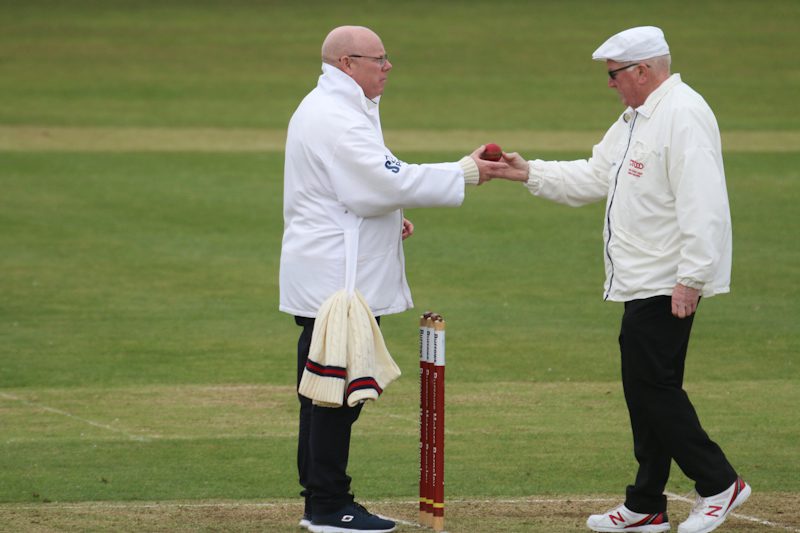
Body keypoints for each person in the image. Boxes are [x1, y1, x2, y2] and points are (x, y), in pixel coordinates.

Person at [497, 26, 750, 533]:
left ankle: (720, 484)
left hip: (667, 278)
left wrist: (692, 277)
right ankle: (646, 504)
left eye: (614, 75)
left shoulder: (683, 114)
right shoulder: (636, 118)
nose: (610, 84)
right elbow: (597, 174)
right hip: (640, 278)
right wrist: (528, 174)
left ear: (643, 71)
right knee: (646, 389)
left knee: (651, 388)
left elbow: (706, 203)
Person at [279, 25, 508, 533]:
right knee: (334, 393)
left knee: (325, 390)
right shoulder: (336, 116)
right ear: (346, 63)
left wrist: (387, 219)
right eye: (377, 59)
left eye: (387, 58)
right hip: (338, 284)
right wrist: (465, 172)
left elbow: (351, 193)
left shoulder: (338, 108)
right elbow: (379, 183)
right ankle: (327, 505)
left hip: (333, 275)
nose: (387, 67)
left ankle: (322, 499)